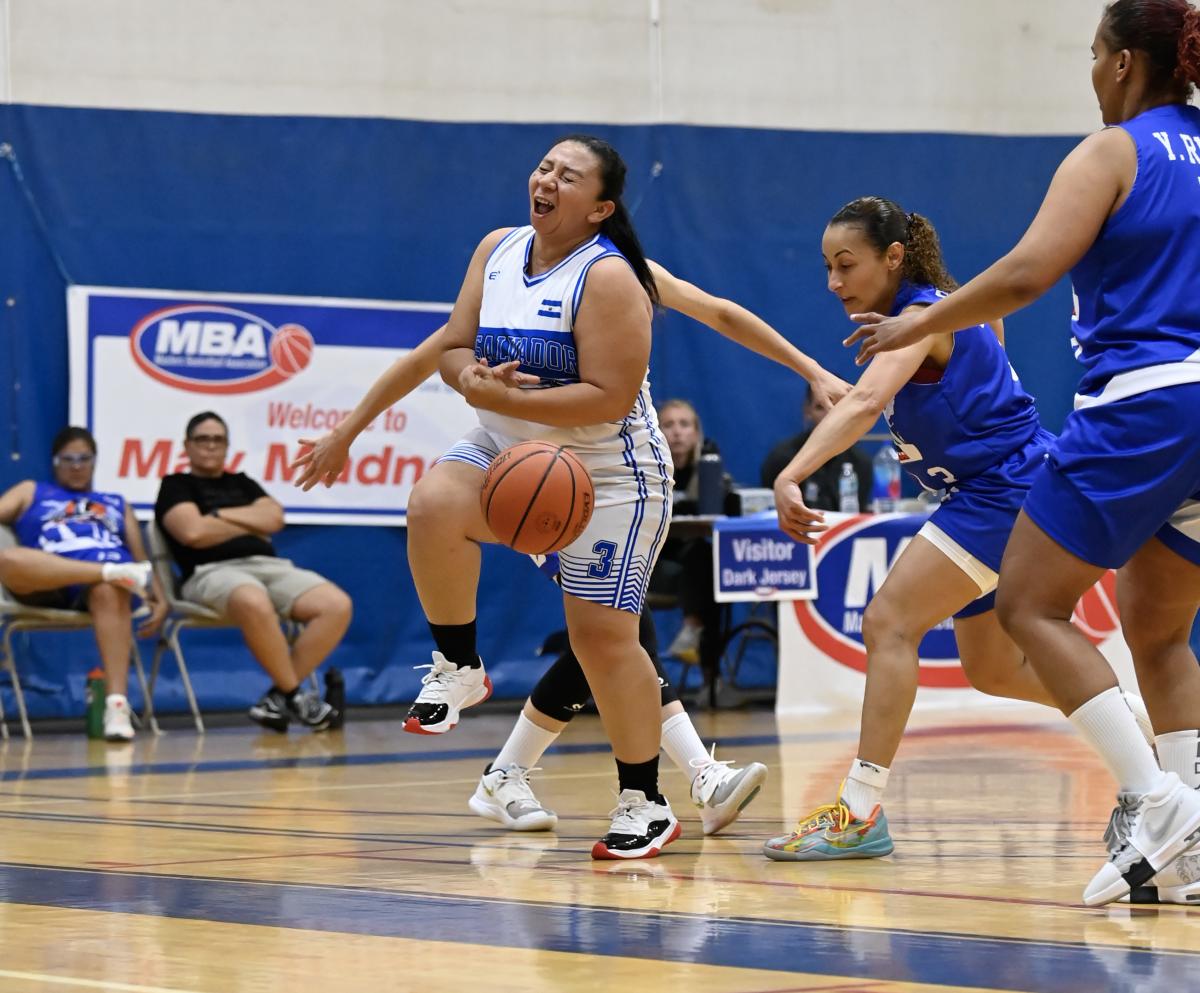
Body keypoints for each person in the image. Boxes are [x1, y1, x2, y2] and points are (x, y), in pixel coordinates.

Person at [843, 0, 1200, 906]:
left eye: (1094, 54)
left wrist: (918, 321)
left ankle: (1160, 802)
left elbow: (1029, 272)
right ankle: (1194, 839)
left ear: (1124, 64)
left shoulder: (1113, 152)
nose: (1092, 72)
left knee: (1030, 604)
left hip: (1146, 402)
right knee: (1159, 633)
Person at [292, 261, 841, 841]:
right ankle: (682, 773)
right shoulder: (507, 264)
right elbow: (430, 354)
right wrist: (347, 431)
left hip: (605, 477)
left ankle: (525, 773)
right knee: (609, 637)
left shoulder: (617, 271)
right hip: (540, 481)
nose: (546, 202)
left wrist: (810, 370)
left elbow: (720, 312)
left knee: (609, 640)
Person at [761, 195, 1141, 865]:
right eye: (827, 267)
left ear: (893, 257)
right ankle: (1142, 724)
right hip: (1000, 485)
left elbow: (867, 401)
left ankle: (859, 810)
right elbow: (991, 331)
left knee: (888, 622)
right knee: (992, 669)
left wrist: (791, 474)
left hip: (1004, 488)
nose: (834, 282)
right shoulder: (948, 308)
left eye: (846, 264)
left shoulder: (921, 317)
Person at [155, 411, 351, 733]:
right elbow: (192, 532)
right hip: (209, 572)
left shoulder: (242, 482)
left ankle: (277, 699)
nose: (210, 446)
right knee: (253, 599)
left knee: (336, 605)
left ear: (227, 446)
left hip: (268, 566)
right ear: (187, 446)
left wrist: (217, 516)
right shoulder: (175, 486)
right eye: (202, 439)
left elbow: (274, 519)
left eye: (218, 440)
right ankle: (295, 695)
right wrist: (248, 521)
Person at [0, 426, 165, 741]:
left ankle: (116, 707)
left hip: (109, 590)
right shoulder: (32, 491)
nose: (76, 466)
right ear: (55, 462)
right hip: (50, 580)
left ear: (94, 461)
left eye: (84, 459)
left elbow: (142, 562)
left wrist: (160, 598)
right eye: (68, 459)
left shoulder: (116, 503)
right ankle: (106, 571)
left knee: (110, 588)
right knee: (8, 560)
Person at [649, 398, 734, 664]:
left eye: (684, 424)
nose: (677, 432)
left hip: (692, 565)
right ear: (656, 431)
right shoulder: (648, 471)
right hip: (652, 565)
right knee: (707, 573)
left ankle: (706, 663)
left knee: (708, 563)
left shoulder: (709, 469)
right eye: (669, 425)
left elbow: (726, 508)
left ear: (696, 433)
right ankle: (696, 635)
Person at [759, 383, 872, 509]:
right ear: (807, 410)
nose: (829, 414)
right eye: (820, 407)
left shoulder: (859, 463)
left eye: (837, 406)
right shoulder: (782, 459)